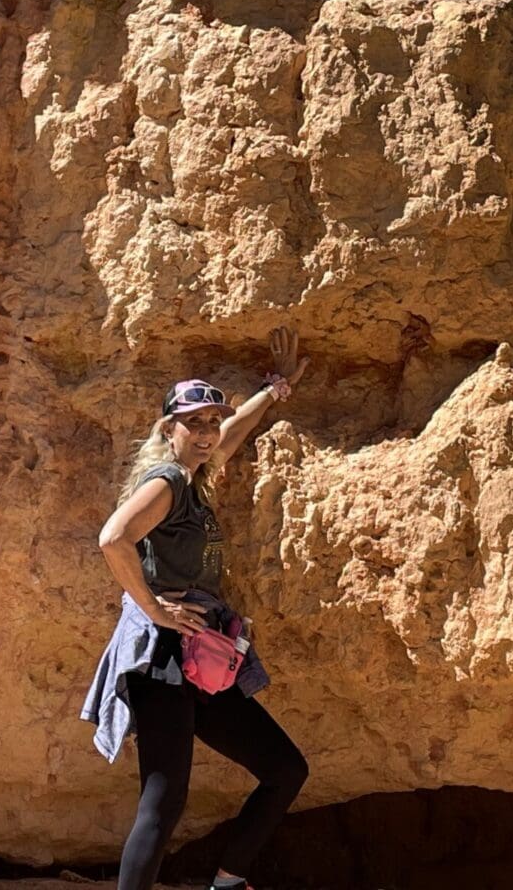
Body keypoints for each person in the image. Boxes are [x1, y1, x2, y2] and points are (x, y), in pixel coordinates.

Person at [81, 327, 312, 890]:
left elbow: (232, 434)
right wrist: (155, 609)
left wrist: (274, 389)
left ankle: (228, 884)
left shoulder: (196, 473)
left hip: (200, 656)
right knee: (163, 801)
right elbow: (113, 539)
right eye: (195, 423)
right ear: (169, 429)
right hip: (161, 656)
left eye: (211, 422)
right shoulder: (166, 479)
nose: (208, 432)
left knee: (285, 770)